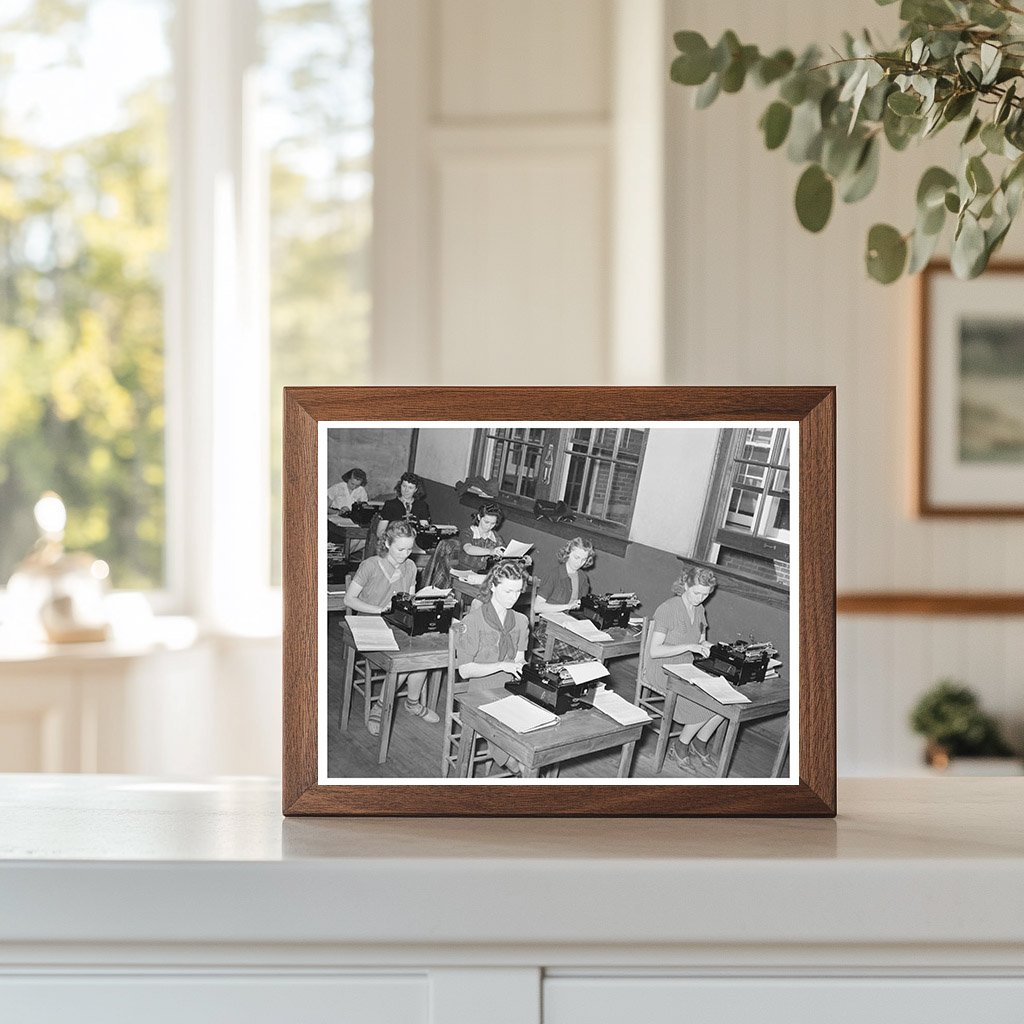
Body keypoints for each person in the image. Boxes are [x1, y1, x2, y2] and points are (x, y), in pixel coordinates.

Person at [344, 520, 438, 735]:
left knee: (423, 655)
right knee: (405, 660)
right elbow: (349, 600)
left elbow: (410, 598)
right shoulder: (369, 565)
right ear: (386, 543)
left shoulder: (411, 567)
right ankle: (379, 707)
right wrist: (379, 609)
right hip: (368, 623)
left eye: (409, 549)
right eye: (400, 549)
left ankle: (412, 703)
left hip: (396, 624)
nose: (405, 554)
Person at [642, 566, 724, 773]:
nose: (700, 598)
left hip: (685, 667)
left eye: (706, 595)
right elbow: (654, 651)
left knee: (725, 702)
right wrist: (689, 646)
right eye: (697, 592)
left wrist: (714, 648)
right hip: (662, 668)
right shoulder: (668, 608)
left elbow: (700, 641)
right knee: (705, 704)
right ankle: (681, 746)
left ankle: (700, 743)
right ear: (685, 585)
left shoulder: (700, 609)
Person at [455, 560, 531, 774]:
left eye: (518, 591)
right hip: (481, 691)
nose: (513, 597)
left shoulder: (522, 621)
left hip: (510, 688)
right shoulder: (472, 620)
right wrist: (501, 665)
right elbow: (465, 670)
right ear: (493, 586)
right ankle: (520, 771)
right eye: (508, 591)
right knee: (521, 759)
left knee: (535, 733)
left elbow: (519, 660)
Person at [533, 537, 593, 615]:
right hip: (550, 620)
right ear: (567, 553)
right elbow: (537, 608)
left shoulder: (583, 578)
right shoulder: (553, 575)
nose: (579, 563)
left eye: (584, 559)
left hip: (570, 618)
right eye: (576, 557)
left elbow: (581, 606)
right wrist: (567, 606)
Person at [378, 472, 431, 543]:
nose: (406, 490)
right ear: (400, 486)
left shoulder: (422, 505)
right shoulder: (390, 505)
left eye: (410, 488)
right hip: (394, 541)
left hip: (415, 542)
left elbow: (424, 529)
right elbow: (380, 532)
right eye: (404, 486)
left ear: (416, 489)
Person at [459, 503, 505, 573]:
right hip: (463, 570)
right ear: (479, 517)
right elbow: (468, 548)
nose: (489, 526)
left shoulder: (496, 538)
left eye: (493, 523)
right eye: (486, 522)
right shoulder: (468, 532)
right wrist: (490, 551)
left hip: (484, 573)